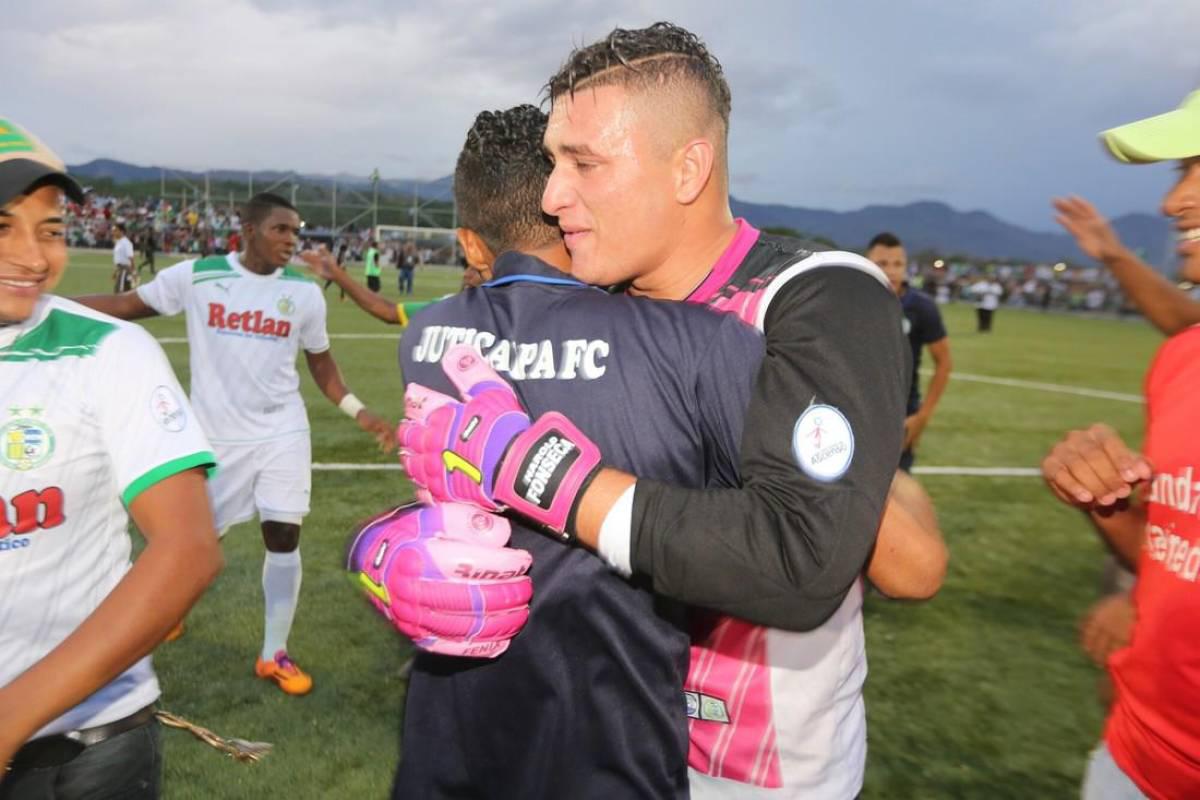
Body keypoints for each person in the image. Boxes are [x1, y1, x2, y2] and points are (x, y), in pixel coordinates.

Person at [398, 23, 943, 798]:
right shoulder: (589, 304)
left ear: (688, 167)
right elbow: (494, 477)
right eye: (554, 163)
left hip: (750, 772)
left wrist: (547, 475)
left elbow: (803, 563)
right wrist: (399, 549)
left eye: (584, 163)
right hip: (594, 742)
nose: (553, 195)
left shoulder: (814, 294)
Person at [73, 192, 393, 696]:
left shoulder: (304, 295)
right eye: (280, 230)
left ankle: (273, 654)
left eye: (295, 231)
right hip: (216, 438)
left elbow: (321, 363)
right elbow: (125, 305)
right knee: (193, 545)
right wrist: (50, 306)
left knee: (284, 534)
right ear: (247, 228)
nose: (291, 241)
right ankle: (169, 611)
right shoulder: (196, 277)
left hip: (282, 432)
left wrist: (358, 409)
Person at [0, 120, 221, 796]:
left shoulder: (106, 351)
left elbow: (188, 551)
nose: (33, 257)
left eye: (52, 229)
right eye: (2, 225)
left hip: (82, 755)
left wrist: (8, 720)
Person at [1041, 88, 1200, 799]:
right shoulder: (1181, 361)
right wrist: (1099, 501)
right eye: (1180, 172)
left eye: (1198, 168)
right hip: (1132, 756)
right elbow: (1173, 555)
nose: (1173, 203)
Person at [867, 232, 953, 472]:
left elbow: (944, 363)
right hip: (857, 410)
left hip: (901, 414)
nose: (892, 271)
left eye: (898, 264)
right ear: (868, 263)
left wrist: (923, 416)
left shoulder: (921, 307)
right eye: (883, 264)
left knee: (896, 494)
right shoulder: (853, 301)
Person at [112, 222, 136, 293]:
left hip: (124, 270)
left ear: (121, 231)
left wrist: (133, 273)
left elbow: (131, 259)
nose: (113, 233)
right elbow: (119, 259)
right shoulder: (119, 242)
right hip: (120, 269)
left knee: (120, 291)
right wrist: (115, 271)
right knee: (123, 291)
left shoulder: (126, 243)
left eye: (115, 230)